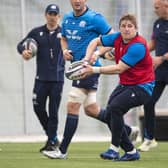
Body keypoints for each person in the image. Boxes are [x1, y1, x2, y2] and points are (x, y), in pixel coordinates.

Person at [42, 0, 115, 159]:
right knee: (91, 110)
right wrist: (65, 50)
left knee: (72, 105)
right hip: (77, 67)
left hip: (88, 68)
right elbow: (63, 38)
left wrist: (98, 53)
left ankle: (62, 151)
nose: (77, 1)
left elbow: (113, 38)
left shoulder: (95, 18)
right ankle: (126, 130)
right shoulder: (67, 18)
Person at [81, 14, 155, 161]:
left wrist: (93, 70)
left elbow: (119, 69)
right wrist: (87, 59)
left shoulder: (138, 46)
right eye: (123, 26)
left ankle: (113, 149)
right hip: (126, 85)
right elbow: (95, 41)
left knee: (115, 108)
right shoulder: (117, 38)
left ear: (136, 28)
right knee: (110, 114)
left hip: (143, 87)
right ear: (120, 27)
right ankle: (131, 151)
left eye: (130, 26)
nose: (126, 29)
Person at [17, 4, 65, 153]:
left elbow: (76, 47)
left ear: (59, 16)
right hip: (41, 79)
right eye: (50, 13)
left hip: (57, 79)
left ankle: (52, 141)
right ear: (45, 15)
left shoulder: (64, 33)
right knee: (37, 107)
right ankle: (52, 136)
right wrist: (24, 51)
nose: (52, 16)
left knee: (53, 111)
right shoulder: (36, 32)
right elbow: (20, 45)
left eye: (55, 14)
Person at [138, 0, 168, 152]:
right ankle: (150, 138)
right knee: (148, 102)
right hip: (160, 72)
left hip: (162, 63)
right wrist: (140, 52)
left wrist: (161, 58)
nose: (155, 10)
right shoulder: (157, 23)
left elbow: (161, 55)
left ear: (166, 6)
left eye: (157, 8)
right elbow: (153, 44)